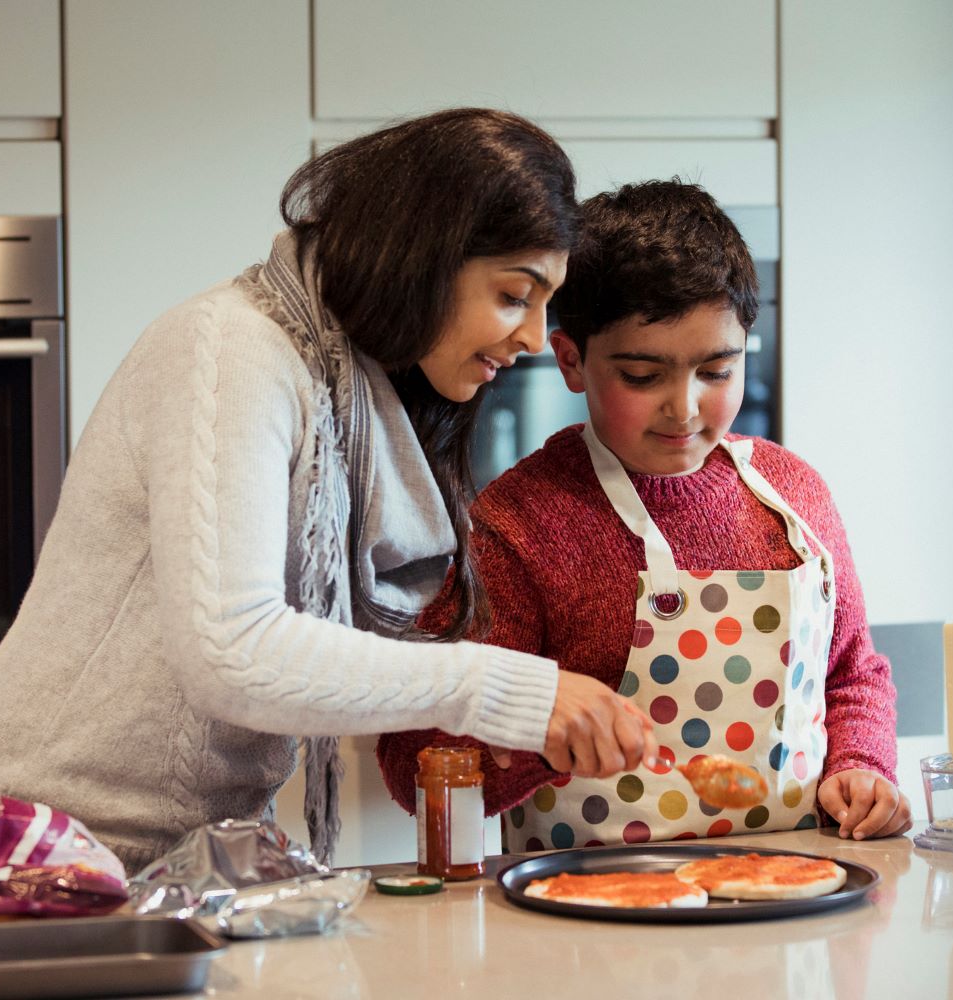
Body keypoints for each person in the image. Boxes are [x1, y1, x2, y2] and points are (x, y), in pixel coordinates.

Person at [0, 109, 658, 872]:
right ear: (423, 258)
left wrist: (509, 725)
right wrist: (512, 690)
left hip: (187, 860)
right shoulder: (231, 350)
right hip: (28, 846)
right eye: (515, 295)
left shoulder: (368, 397)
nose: (535, 339)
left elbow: (355, 667)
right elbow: (233, 651)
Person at [378, 180, 909, 849]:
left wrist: (863, 769)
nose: (684, 409)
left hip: (791, 901)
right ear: (572, 360)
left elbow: (853, 672)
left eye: (717, 371)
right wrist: (539, 728)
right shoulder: (516, 528)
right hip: (585, 925)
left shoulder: (793, 493)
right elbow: (413, 764)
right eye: (642, 376)